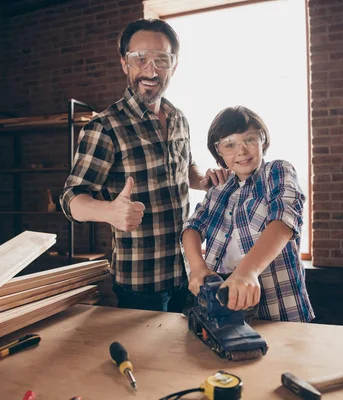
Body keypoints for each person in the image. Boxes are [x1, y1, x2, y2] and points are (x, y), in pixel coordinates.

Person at [59, 18, 227, 312]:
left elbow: (186, 169)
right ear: (125, 63)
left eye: (161, 60)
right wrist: (108, 211)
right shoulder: (105, 127)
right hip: (141, 282)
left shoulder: (178, 118)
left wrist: (206, 180)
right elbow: (71, 197)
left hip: (187, 271)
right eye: (140, 59)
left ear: (173, 65)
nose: (151, 70)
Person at [181, 106, 314, 322]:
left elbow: (284, 219)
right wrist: (197, 268)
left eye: (250, 139)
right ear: (219, 152)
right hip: (221, 309)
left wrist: (247, 272)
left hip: (278, 311)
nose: (241, 151)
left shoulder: (277, 171)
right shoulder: (218, 189)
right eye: (230, 144)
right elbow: (192, 228)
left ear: (263, 141)